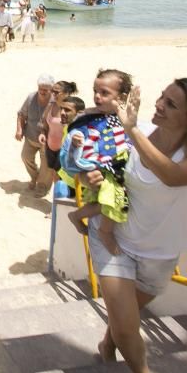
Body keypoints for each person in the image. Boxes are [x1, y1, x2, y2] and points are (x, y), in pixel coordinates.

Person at [83, 78, 187, 373]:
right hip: (113, 240)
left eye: (171, 104)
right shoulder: (139, 134)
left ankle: (107, 346)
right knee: (126, 326)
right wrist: (93, 177)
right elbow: (106, 171)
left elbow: (171, 174)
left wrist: (132, 129)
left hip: (159, 254)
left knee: (126, 316)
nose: (159, 104)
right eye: (162, 96)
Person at [62, 70, 135, 256]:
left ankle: (77, 215)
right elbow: (71, 145)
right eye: (95, 91)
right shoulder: (87, 118)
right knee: (114, 198)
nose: (97, 96)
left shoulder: (126, 118)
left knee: (110, 201)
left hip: (118, 168)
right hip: (100, 168)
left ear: (122, 97)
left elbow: (131, 139)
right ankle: (105, 231)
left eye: (104, 93)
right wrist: (75, 141)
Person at [17, 74, 55, 195]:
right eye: (40, 88)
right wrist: (19, 130)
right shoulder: (31, 97)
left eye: (45, 89)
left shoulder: (55, 102)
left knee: (47, 166)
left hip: (48, 141)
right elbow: (21, 114)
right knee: (25, 157)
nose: (42, 92)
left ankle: (43, 187)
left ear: (51, 89)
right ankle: (35, 176)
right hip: (31, 136)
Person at [38, 80, 79, 174]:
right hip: (50, 147)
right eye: (52, 91)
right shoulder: (51, 105)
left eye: (56, 92)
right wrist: (42, 133)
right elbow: (44, 122)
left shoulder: (72, 109)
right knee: (53, 173)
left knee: (62, 176)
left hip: (65, 149)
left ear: (67, 93)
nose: (53, 94)